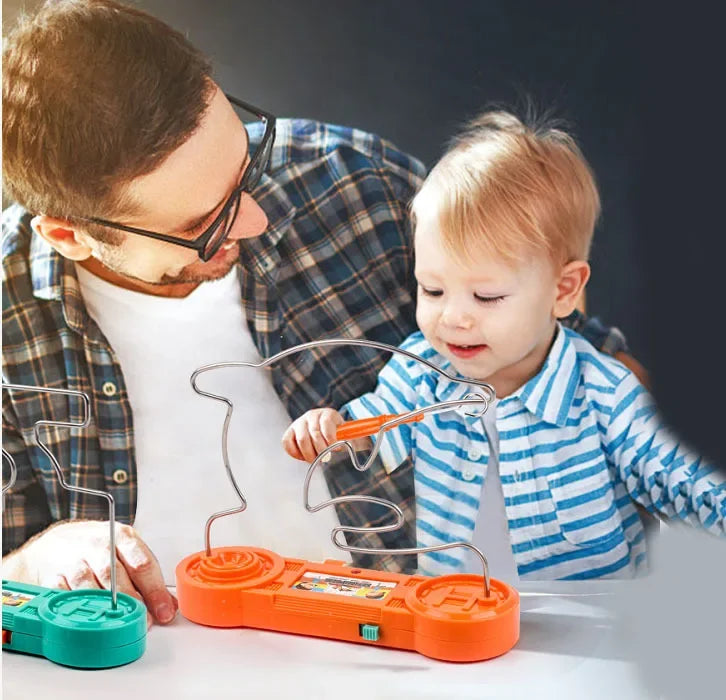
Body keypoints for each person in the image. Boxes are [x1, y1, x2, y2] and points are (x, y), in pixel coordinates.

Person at [2, 0, 635, 623]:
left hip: (422, 647)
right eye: (205, 225)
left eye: (245, 166)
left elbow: (592, 361)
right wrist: (30, 563)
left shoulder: (354, 184)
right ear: (70, 236)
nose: (256, 218)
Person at [283, 110, 726, 581]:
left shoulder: (605, 394)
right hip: (460, 619)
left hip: (590, 632)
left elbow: (684, 479)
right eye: (432, 290)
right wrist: (329, 431)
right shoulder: (419, 373)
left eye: (487, 296)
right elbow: (369, 432)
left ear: (563, 291)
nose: (453, 317)